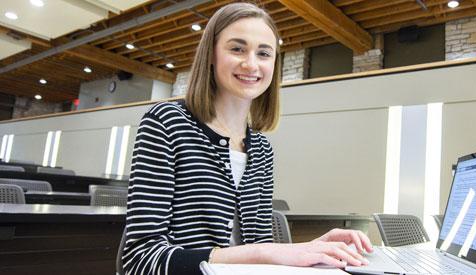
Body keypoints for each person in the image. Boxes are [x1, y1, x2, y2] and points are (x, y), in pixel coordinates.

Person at [122, 2, 373, 274]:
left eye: (264, 53)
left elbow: (259, 249)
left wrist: (310, 248)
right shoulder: (167, 122)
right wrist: (269, 251)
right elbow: (140, 259)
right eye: (237, 48)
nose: (251, 64)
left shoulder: (262, 149)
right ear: (211, 55)